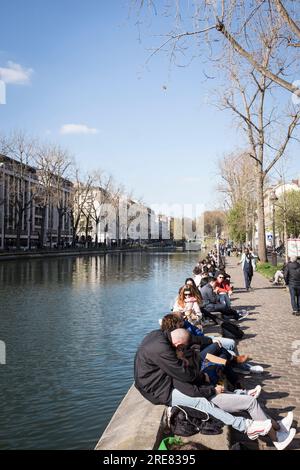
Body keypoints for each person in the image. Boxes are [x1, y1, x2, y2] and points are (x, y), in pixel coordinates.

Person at [134, 328, 296, 449]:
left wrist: (208, 383)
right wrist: (210, 388)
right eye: (183, 350)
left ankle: (277, 428)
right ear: (178, 347)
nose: (185, 353)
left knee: (244, 399)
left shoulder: (168, 349)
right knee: (234, 402)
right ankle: (266, 433)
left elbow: (191, 375)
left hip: (200, 390)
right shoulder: (171, 365)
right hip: (169, 391)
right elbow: (191, 388)